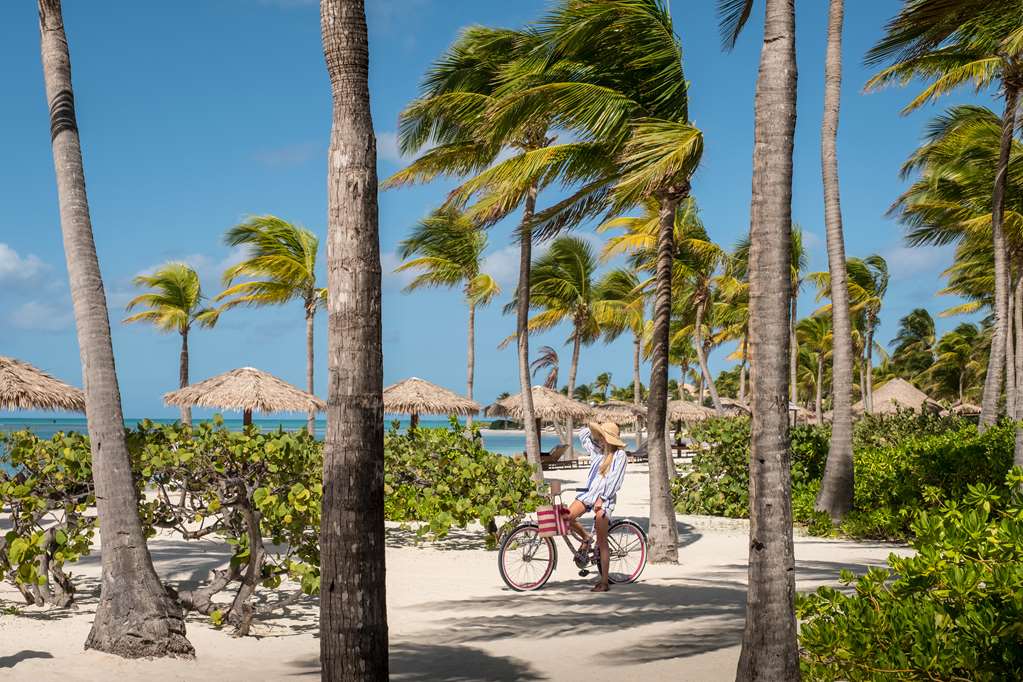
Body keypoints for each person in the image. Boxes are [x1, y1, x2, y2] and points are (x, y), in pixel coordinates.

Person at [565, 421, 628, 592]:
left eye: (602, 437)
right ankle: (586, 538)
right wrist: (595, 425)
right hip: (587, 495)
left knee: (602, 542)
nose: (600, 440)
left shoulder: (620, 456)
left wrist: (602, 499)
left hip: (605, 500)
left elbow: (616, 481)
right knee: (566, 517)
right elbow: (583, 434)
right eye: (599, 437)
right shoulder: (597, 451)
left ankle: (605, 582)